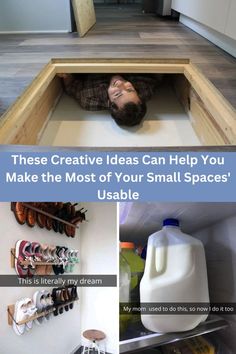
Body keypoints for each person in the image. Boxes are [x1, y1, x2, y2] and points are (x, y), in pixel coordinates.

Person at [59, 73, 159, 127]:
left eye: (117, 94)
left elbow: (70, 86)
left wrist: (66, 74)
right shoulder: (145, 89)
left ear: (109, 103)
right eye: (129, 89)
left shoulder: (89, 98)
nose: (120, 84)